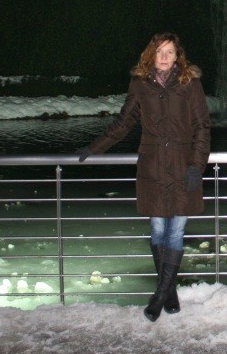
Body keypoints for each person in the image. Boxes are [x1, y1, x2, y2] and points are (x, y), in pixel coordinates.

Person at [77, 31, 211, 321]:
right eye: (159, 51)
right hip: (152, 166)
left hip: (183, 165)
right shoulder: (140, 83)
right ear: (151, 53)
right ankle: (169, 292)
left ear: (178, 56)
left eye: (169, 52)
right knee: (158, 229)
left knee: (176, 231)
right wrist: (94, 147)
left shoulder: (189, 83)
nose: (163, 57)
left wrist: (196, 166)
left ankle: (159, 296)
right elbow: (124, 122)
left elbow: (202, 127)